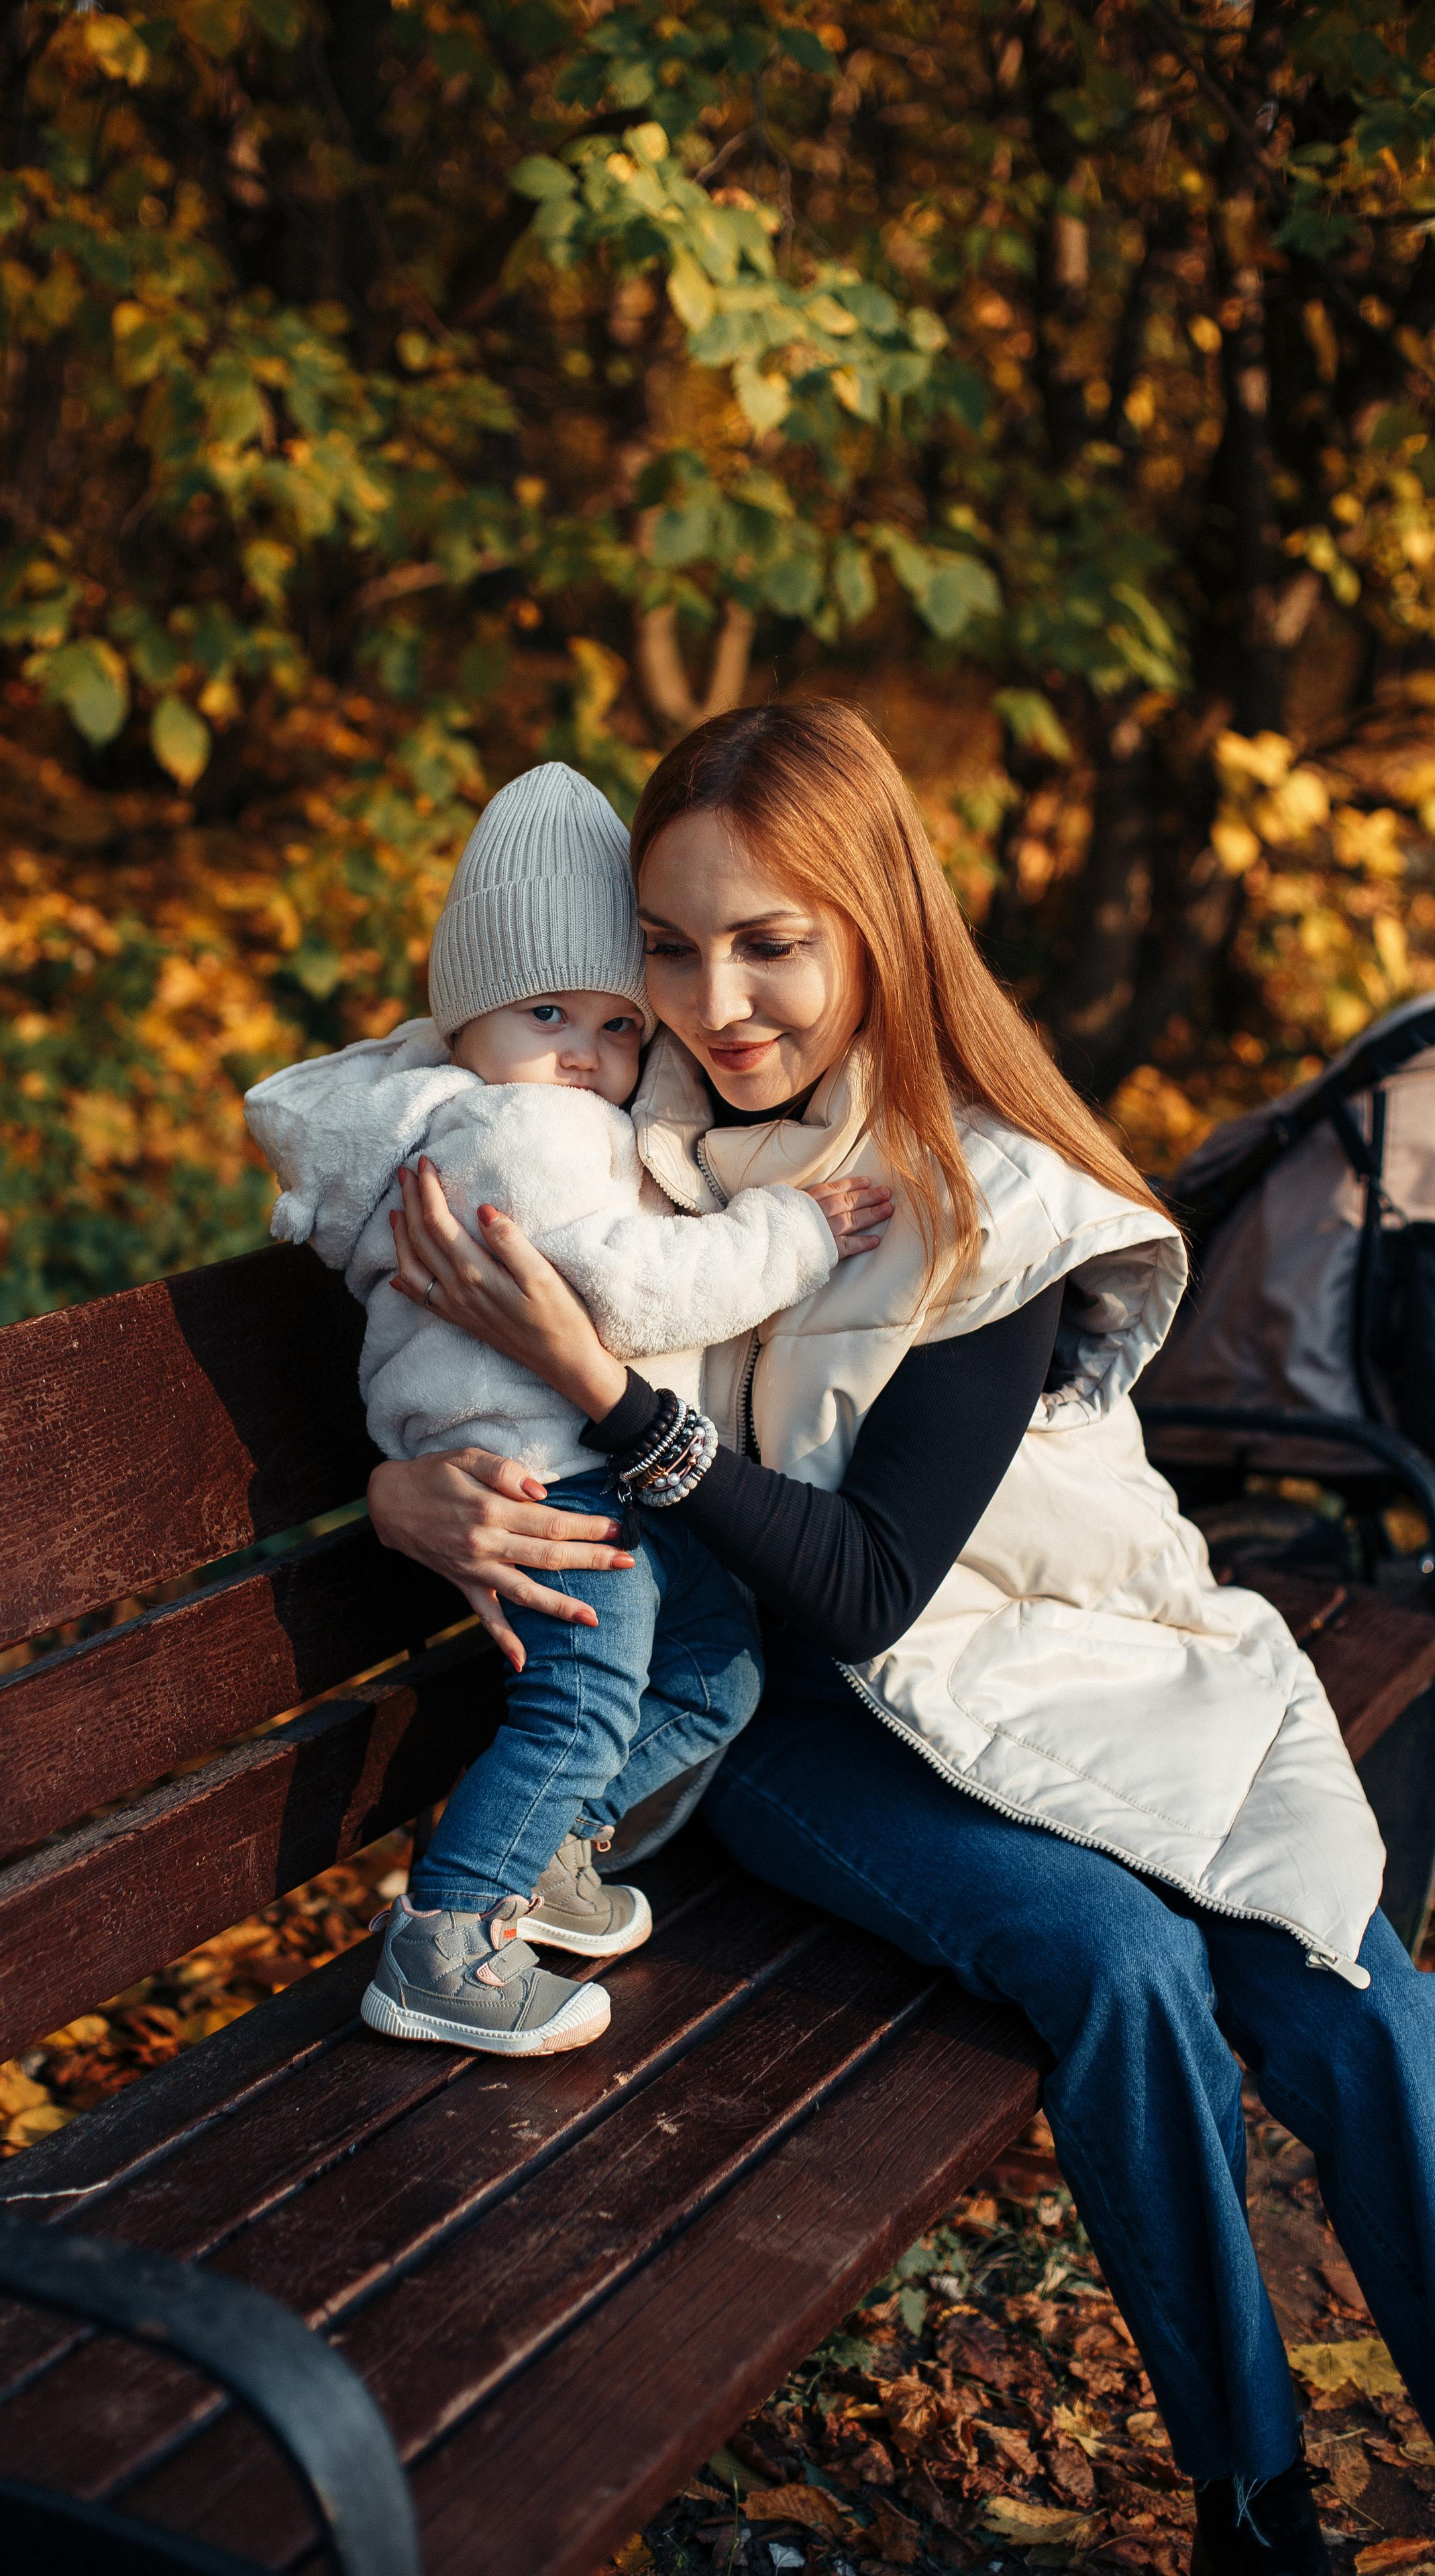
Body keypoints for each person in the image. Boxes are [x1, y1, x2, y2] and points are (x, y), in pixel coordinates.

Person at [367, 699, 1433, 2576]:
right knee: (1115, 1956)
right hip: (778, 1715)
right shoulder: (591, 1120)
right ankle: (1259, 2506)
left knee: (1339, 1978)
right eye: (672, 950)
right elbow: (413, 1315)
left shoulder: (981, 1190)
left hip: (1059, 1651)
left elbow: (873, 1580)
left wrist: (606, 1389)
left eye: (774, 944)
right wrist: (400, 1493)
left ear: (879, 928)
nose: (721, 1003)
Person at [244, 759, 889, 2057]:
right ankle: (447, 1938)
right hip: (549, 1479)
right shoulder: (516, 1135)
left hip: (579, 1462)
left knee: (714, 1670)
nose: (587, 1054)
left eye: (615, 1024)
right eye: (550, 1013)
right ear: (472, 1013)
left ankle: (541, 1853)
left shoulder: (543, 1107)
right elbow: (627, 1291)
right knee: (587, 1705)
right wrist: (796, 1233)